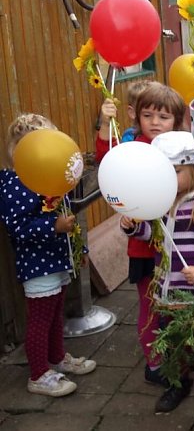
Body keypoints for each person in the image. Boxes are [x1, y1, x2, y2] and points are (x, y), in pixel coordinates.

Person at [122, 131, 194, 414]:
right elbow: (153, 235)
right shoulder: (162, 205)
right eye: (164, 172)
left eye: (176, 171)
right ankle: (177, 382)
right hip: (168, 290)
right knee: (173, 338)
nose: (169, 178)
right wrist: (134, 227)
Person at [96, 83, 186, 386]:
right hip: (144, 250)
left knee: (176, 304)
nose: (156, 123)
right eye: (148, 115)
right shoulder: (133, 149)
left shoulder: (181, 149)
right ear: (138, 118)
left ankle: (179, 354)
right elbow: (108, 161)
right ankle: (155, 362)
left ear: (176, 119)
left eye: (164, 117)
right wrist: (103, 127)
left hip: (178, 247)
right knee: (150, 307)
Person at [1, 114, 97, 397]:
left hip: (58, 259)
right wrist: (53, 226)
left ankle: (57, 359)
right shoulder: (16, 183)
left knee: (56, 315)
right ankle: (38, 374)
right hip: (37, 265)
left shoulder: (52, 178)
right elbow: (17, 226)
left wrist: (80, 250)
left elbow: (68, 216)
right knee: (41, 319)